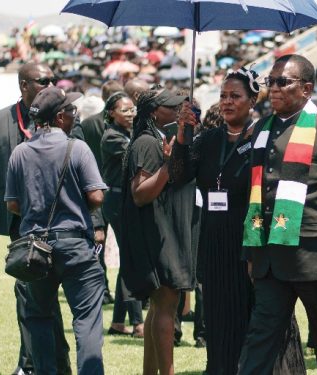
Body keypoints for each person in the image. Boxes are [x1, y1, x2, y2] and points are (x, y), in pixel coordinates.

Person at [170, 67, 305, 375]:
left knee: (258, 319)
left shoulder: (266, 136)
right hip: (215, 244)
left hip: (251, 243)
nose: (227, 102)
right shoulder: (208, 139)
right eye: (223, 96)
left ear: (253, 99)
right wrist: (182, 136)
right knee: (220, 320)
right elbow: (178, 176)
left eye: (235, 96)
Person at [237, 54, 317, 375]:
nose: (273, 89)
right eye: (270, 82)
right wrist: (252, 250)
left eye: (282, 82)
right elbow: (256, 194)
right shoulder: (262, 128)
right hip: (268, 258)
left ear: (306, 88)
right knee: (260, 339)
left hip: (315, 259)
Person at [0, 62, 71, 375]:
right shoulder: (0, 120)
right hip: (19, 223)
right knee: (29, 291)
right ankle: (37, 363)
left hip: (54, 220)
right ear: (24, 85)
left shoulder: (59, 116)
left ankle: (42, 362)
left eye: (52, 79)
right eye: (43, 80)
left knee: (39, 294)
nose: (50, 83)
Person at [5, 86, 107, 375]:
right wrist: (74, 206)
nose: (74, 117)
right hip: (76, 246)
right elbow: (97, 197)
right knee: (86, 322)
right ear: (60, 117)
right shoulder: (78, 147)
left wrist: (37, 207)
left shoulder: (20, 153)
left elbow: (12, 204)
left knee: (38, 319)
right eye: (71, 112)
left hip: (35, 248)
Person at [119, 88, 197, 375]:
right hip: (156, 235)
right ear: (155, 112)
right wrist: (167, 165)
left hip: (157, 232)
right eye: (174, 106)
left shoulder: (152, 139)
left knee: (158, 306)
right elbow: (140, 193)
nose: (180, 110)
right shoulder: (147, 143)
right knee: (166, 305)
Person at [71, 79, 126, 305]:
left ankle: (102, 289)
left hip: (92, 189)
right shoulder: (119, 127)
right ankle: (123, 296)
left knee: (97, 243)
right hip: (114, 189)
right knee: (122, 244)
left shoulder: (88, 124)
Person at [99, 91, 145, 337]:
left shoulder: (126, 134)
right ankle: (138, 323)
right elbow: (137, 154)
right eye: (124, 110)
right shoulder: (113, 137)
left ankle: (118, 322)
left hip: (123, 198)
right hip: (116, 200)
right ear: (111, 113)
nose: (130, 113)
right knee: (131, 260)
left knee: (129, 257)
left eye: (132, 109)